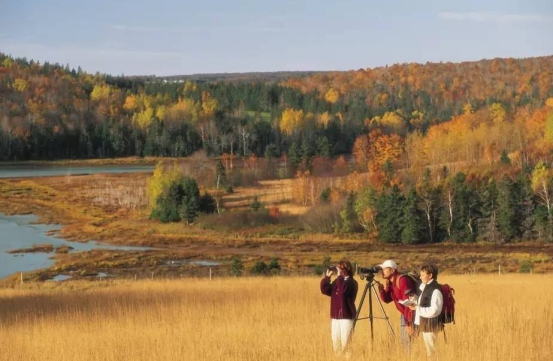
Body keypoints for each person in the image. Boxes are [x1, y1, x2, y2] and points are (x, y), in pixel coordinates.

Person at [320, 260, 359, 359]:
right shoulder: (338, 281)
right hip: (335, 317)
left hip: (346, 317)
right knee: (336, 344)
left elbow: (342, 293)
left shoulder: (351, 282)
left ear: (346, 270)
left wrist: (339, 277)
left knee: (346, 344)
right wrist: (327, 277)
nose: (338, 270)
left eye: (340, 268)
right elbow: (324, 290)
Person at [377, 259, 417, 347]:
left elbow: (410, 303)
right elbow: (387, 299)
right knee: (405, 344)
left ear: (392, 270)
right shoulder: (390, 282)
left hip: (412, 314)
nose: (382, 271)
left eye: (384, 269)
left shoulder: (402, 280)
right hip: (405, 315)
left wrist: (409, 323)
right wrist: (381, 290)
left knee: (407, 345)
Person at [410, 264, 443, 358]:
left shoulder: (435, 290)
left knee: (432, 351)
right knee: (430, 350)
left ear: (430, 275)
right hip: (426, 324)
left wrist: (417, 308)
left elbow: (435, 310)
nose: (420, 277)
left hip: (431, 325)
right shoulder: (426, 288)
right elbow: (424, 302)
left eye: (423, 275)